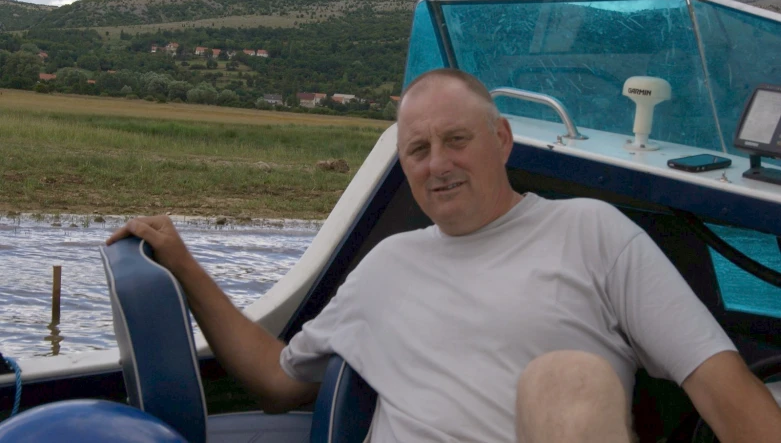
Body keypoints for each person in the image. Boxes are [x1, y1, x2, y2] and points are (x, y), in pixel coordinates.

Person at [107, 68, 781, 442]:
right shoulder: (385, 267)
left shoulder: (592, 233)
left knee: (567, 378)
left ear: (502, 139)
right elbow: (277, 382)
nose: (437, 164)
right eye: (417, 150)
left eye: (455, 140)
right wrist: (185, 266)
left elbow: (729, 398)